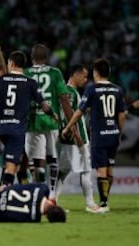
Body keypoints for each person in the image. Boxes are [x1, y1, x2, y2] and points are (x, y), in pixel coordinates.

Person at [0, 50, 58, 186]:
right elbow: (44, 105)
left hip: (2, 128)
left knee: (11, 159)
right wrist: (53, 115)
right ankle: (4, 191)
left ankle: (3, 186)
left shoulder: (1, 80)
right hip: (17, 130)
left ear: (11, 63)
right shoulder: (30, 83)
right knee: (12, 166)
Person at [62, 58, 126, 212]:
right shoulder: (118, 89)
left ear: (96, 73)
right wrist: (119, 132)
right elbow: (122, 115)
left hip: (99, 135)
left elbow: (78, 112)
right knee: (110, 169)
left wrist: (68, 127)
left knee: (101, 170)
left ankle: (103, 203)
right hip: (113, 134)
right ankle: (105, 199)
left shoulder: (92, 89)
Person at [24, 44, 76, 200]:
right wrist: (71, 122)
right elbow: (64, 99)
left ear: (32, 58)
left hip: (32, 121)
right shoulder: (55, 73)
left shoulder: (26, 73)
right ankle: (52, 195)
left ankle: (40, 196)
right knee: (52, 157)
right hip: (51, 120)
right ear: (46, 58)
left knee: (37, 161)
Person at [56, 64, 100, 213]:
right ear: (75, 74)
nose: (86, 79)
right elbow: (71, 115)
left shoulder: (67, 92)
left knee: (62, 172)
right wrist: (77, 136)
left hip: (66, 137)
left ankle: (53, 201)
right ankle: (90, 203)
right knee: (86, 170)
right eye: (84, 76)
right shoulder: (70, 92)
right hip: (77, 137)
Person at [0, 183, 66, 223]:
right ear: (46, 216)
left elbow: (19, 186)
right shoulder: (34, 218)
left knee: (0, 190)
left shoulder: (42, 188)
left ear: (53, 204)